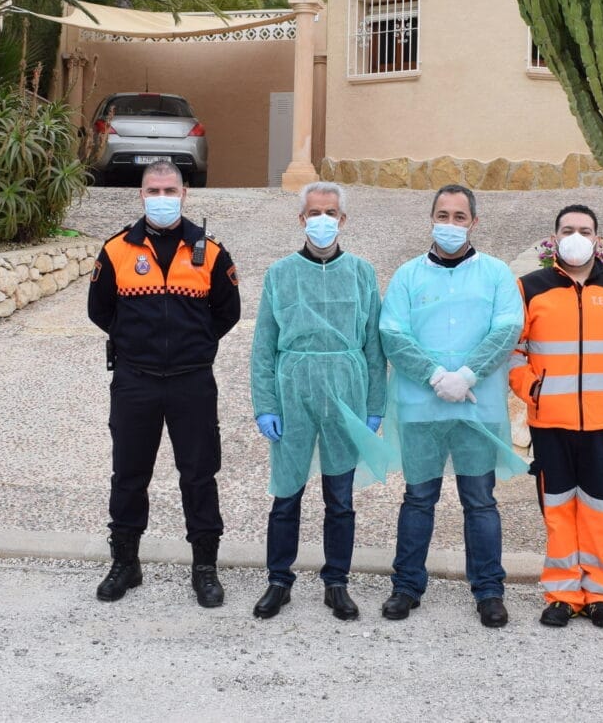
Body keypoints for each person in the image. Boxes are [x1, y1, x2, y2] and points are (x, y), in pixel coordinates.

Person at [87, 161, 241, 607]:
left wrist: (195, 345)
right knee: (129, 474)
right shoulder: (117, 249)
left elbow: (227, 311)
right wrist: (136, 344)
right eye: (153, 190)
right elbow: (99, 310)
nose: (161, 198)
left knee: (199, 475)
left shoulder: (210, 251)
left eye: (169, 190)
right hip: (136, 381)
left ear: (184, 193)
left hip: (192, 382)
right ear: (141, 194)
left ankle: (205, 568)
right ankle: (125, 563)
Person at [378, 184, 526, 629]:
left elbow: (507, 329)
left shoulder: (496, 274)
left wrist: (468, 375)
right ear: (431, 219)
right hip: (421, 407)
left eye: (459, 217)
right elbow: (392, 333)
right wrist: (435, 376)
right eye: (442, 215)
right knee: (418, 498)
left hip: (477, 409)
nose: (450, 224)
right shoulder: (407, 276)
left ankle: (489, 591)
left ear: (474, 222)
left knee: (479, 500)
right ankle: (406, 586)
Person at [249, 182, 394, 621]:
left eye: (330, 212)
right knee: (286, 494)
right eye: (314, 212)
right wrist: (266, 404)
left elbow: (374, 347)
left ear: (343, 219)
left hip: (347, 390)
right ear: (301, 219)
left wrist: (374, 405)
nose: (322, 220)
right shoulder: (280, 274)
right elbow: (263, 346)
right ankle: (279, 580)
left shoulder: (362, 273)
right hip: (293, 390)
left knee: (340, 498)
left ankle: (337, 582)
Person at [509, 204, 603, 629]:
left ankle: (599, 595)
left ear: (598, 239)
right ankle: (562, 594)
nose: (576, 236)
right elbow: (513, 351)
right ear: (554, 237)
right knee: (557, 511)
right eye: (568, 229)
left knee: (601, 512)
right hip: (550, 424)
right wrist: (532, 390)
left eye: (585, 230)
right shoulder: (530, 287)